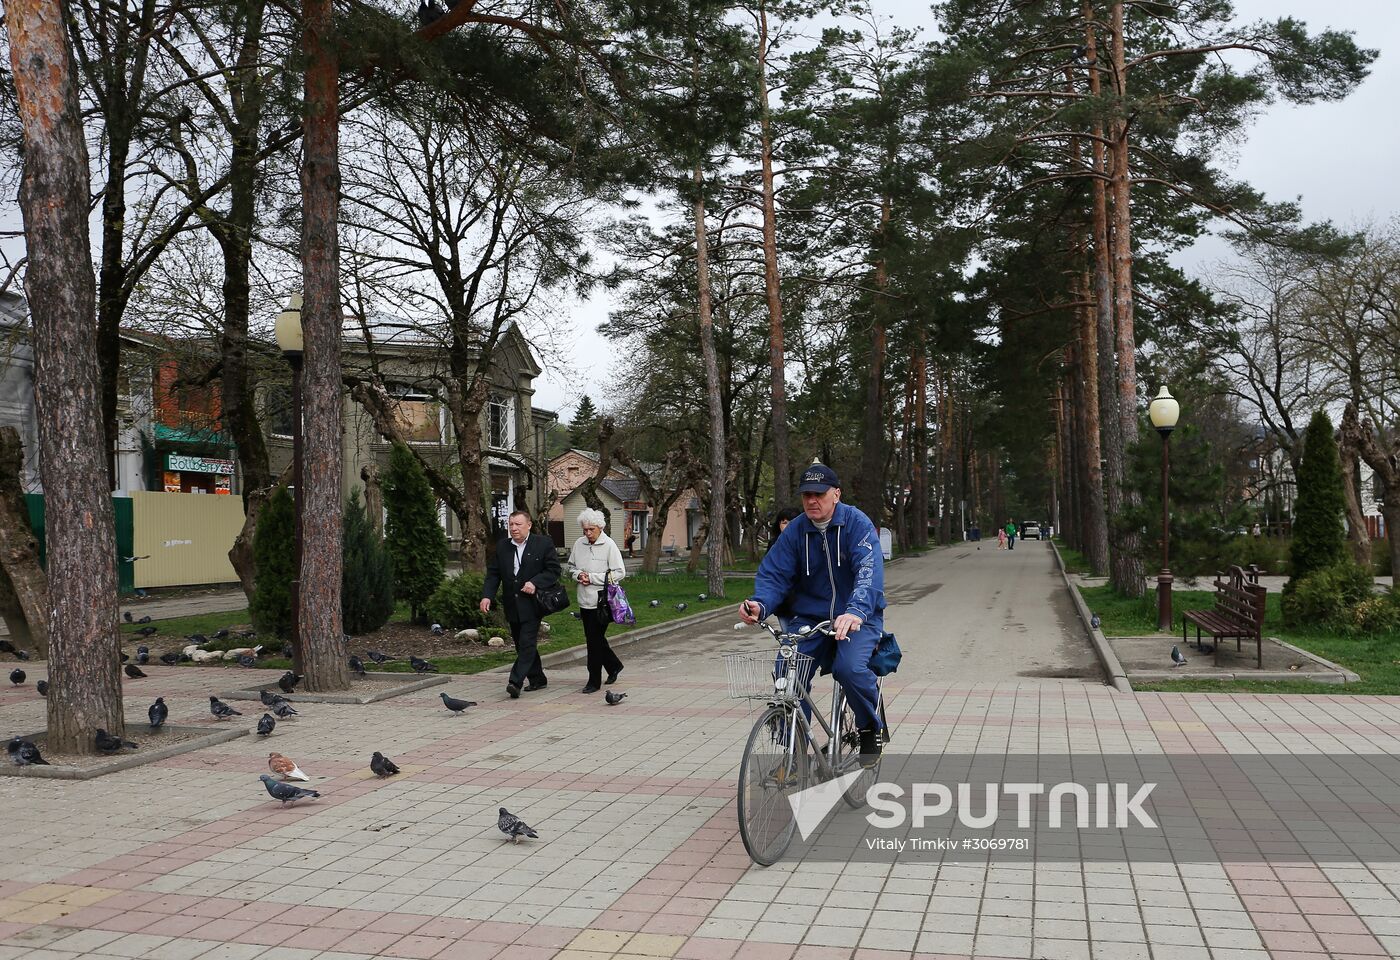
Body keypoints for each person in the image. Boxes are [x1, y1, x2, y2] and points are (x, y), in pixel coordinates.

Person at [738, 462, 887, 766]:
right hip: (810, 619)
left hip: (858, 617)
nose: (811, 501)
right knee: (786, 673)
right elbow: (775, 575)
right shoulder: (796, 531)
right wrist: (759, 605)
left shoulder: (856, 524)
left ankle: (869, 726)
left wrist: (856, 611)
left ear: (836, 494)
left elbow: (868, 571)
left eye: (818, 494)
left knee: (850, 670)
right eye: (806, 494)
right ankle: (795, 753)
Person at [480, 510, 562, 698]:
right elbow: (493, 574)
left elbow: (553, 570)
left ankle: (514, 682)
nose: (514, 528)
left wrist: (535, 583)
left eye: (518, 524)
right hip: (512, 604)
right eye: (511, 525)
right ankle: (538, 678)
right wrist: (487, 596)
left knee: (526, 643)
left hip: (533, 604)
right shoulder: (503, 547)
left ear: (529, 525)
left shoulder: (542, 544)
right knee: (521, 644)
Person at [567, 509, 626, 693]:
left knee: (593, 642)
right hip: (584, 601)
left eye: (591, 529)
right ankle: (614, 665)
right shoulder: (579, 544)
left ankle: (593, 681)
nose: (587, 533)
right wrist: (579, 575)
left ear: (600, 527)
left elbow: (619, 572)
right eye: (584, 530)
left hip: (602, 602)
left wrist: (592, 578)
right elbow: (570, 567)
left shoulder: (609, 545)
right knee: (595, 638)